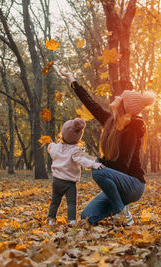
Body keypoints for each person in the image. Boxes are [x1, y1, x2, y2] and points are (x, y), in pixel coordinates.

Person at [59, 66, 155, 226]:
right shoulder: (111, 122)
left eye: (120, 97)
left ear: (124, 105)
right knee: (87, 217)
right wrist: (71, 78)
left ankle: (121, 213)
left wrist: (96, 161)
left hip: (133, 185)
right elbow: (90, 103)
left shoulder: (132, 129)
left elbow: (123, 164)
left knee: (98, 171)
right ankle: (121, 208)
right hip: (119, 185)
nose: (116, 96)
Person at [47, 118, 104, 225]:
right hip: (69, 183)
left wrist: (50, 145)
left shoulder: (56, 147)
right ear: (78, 137)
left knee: (55, 201)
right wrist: (94, 165)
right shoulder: (75, 151)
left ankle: (51, 219)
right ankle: (72, 221)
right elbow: (83, 161)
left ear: (63, 133)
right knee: (71, 203)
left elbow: (50, 148)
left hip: (56, 181)